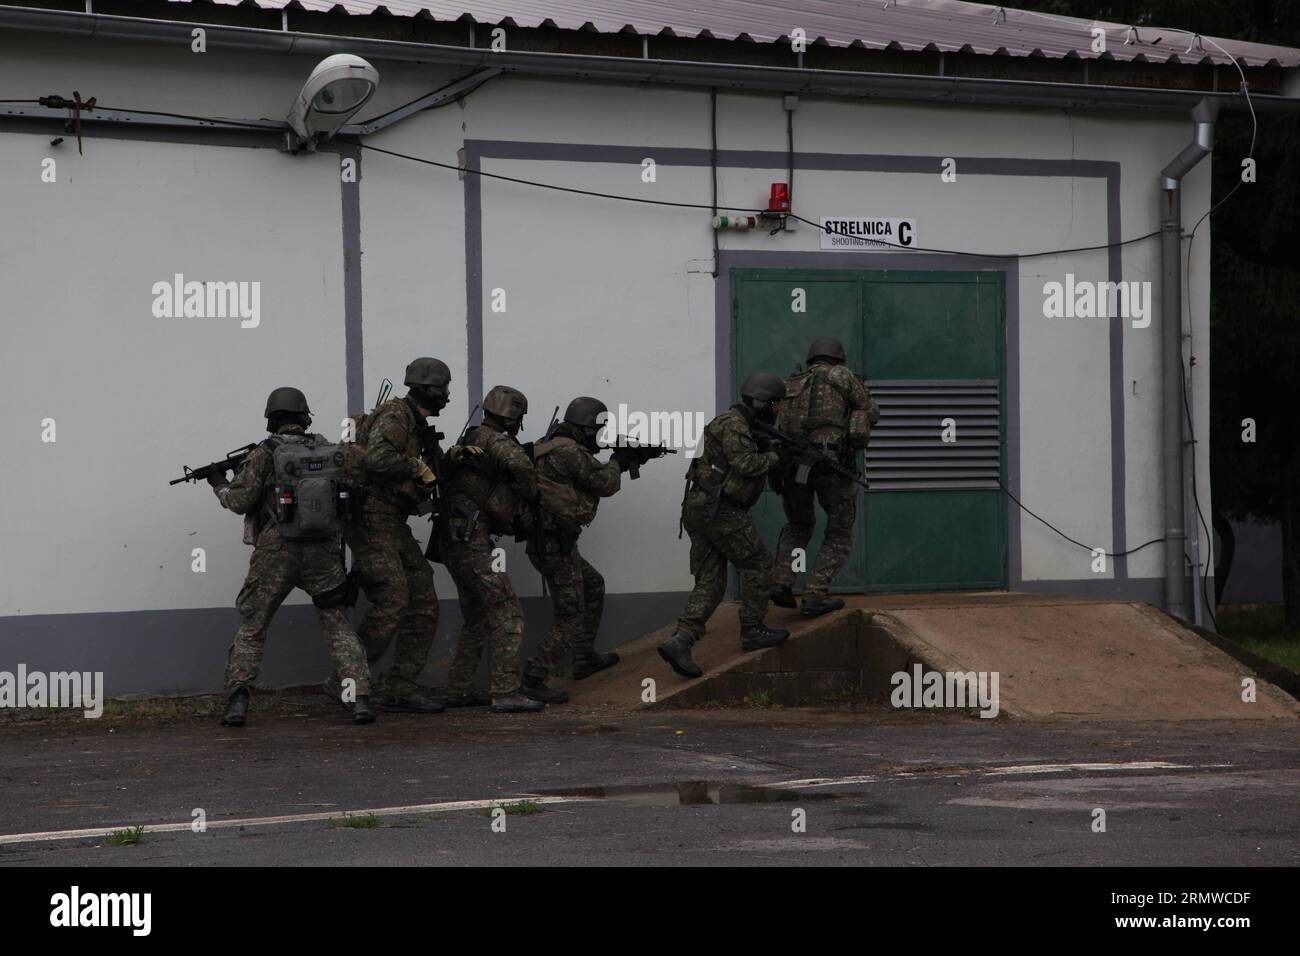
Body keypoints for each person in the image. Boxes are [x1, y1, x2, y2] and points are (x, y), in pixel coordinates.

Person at [208, 387, 374, 726]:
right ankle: (359, 698)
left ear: (271, 419)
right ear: (304, 417)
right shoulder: (329, 450)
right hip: (324, 553)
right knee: (337, 624)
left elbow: (239, 501)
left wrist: (219, 485)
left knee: (254, 626)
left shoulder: (265, 453)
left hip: (277, 552)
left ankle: (238, 700)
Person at [657, 372, 791, 679]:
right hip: (720, 510)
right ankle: (753, 629)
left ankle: (682, 640)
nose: (777, 410)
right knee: (758, 565)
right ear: (761, 403)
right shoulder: (734, 424)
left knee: (711, 581)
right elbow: (746, 464)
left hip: (702, 507)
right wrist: (774, 457)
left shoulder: (740, 424)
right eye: (774, 404)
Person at [340, 357, 451, 713]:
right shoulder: (396, 414)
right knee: (393, 599)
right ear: (427, 389)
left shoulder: (415, 423)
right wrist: (417, 467)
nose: (446, 396)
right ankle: (344, 682)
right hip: (372, 517)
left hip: (393, 521)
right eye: (443, 389)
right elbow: (378, 459)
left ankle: (401, 685)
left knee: (424, 599)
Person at [439, 385, 543, 712]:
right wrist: (531, 495)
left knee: (478, 616)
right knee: (507, 611)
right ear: (513, 419)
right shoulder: (496, 441)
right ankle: (506, 691)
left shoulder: (470, 437)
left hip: (455, 537)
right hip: (471, 537)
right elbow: (522, 466)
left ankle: (458, 688)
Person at [517, 397, 623, 703]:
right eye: (596, 430)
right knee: (571, 614)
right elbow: (605, 484)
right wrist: (619, 462)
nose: (599, 436)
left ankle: (583, 656)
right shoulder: (570, 451)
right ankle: (534, 677)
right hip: (554, 544)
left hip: (548, 541)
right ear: (586, 429)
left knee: (593, 584)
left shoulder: (545, 444)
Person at [769, 337, 879, 617]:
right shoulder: (841, 376)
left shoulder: (790, 382)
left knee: (798, 525)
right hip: (830, 466)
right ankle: (815, 595)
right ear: (838, 359)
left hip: (794, 466)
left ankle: (781, 581)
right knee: (839, 531)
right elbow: (869, 409)